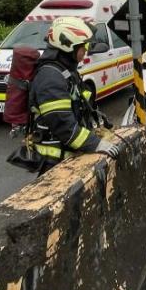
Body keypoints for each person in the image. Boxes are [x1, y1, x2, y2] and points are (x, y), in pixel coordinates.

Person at [30, 17, 119, 175]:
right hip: (54, 162)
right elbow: (64, 126)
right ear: (68, 46)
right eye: (82, 46)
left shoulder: (65, 71)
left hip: (68, 156)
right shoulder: (50, 77)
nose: (86, 50)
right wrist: (96, 144)